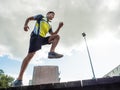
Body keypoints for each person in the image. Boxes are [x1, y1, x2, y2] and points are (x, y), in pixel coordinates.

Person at [13, 11, 64, 86]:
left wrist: (59, 27)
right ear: (47, 14)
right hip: (36, 37)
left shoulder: (49, 26)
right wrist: (25, 25)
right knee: (30, 55)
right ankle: (19, 79)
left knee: (57, 37)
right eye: (51, 14)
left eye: (53, 15)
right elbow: (29, 18)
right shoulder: (41, 17)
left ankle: (51, 52)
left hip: (42, 39)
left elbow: (53, 34)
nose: (52, 16)